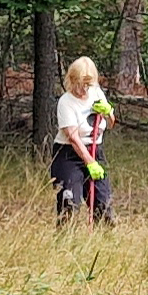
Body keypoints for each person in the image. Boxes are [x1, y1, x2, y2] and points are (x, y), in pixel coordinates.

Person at [52, 55, 116, 226]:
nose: (84, 90)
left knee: (103, 204)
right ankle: (65, 243)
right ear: (72, 81)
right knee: (70, 203)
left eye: (88, 85)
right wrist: (89, 163)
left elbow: (110, 125)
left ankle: (103, 244)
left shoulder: (96, 93)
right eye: (80, 85)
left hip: (95, 150)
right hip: (68, 155)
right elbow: (72, 137)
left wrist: (108, 112)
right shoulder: (65, 102)